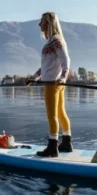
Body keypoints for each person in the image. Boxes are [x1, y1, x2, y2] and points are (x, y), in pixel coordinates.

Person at [26, 12, 73, 157]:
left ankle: (53, 147)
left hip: (53, 84)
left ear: (49, 23)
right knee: (60, 113)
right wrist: (34, 77)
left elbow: (66, 61)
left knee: (51, 115)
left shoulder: (57, 41)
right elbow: (45, 66)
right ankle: (66, 142)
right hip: (54, 82)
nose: (39, 24)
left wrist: (63, 77)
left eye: (42, 22)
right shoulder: (51, 42)